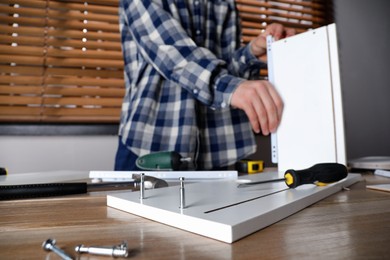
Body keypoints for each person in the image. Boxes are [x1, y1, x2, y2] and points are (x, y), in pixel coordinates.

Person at [115, 0, 295, 171]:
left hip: (217, 149)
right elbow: (171, 52)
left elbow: (226, 69)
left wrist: (250, 55)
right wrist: (230, 87)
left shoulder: (224, 2)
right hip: (150, 146)